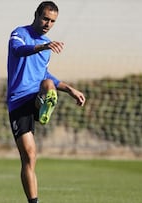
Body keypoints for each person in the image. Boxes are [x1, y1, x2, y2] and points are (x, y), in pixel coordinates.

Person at [6, 1, 86, 203]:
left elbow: (44, 73)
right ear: (36, 15)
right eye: (45, 18)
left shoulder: (48, 47)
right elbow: (19, 51)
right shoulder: (19, 33)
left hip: (36, 94)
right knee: (30, 157)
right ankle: (34, 202)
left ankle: (44, 105)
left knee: (48, 82)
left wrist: (69, 89)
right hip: (18, 102)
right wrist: (42, 46)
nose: (48, 24)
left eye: (52, 21)